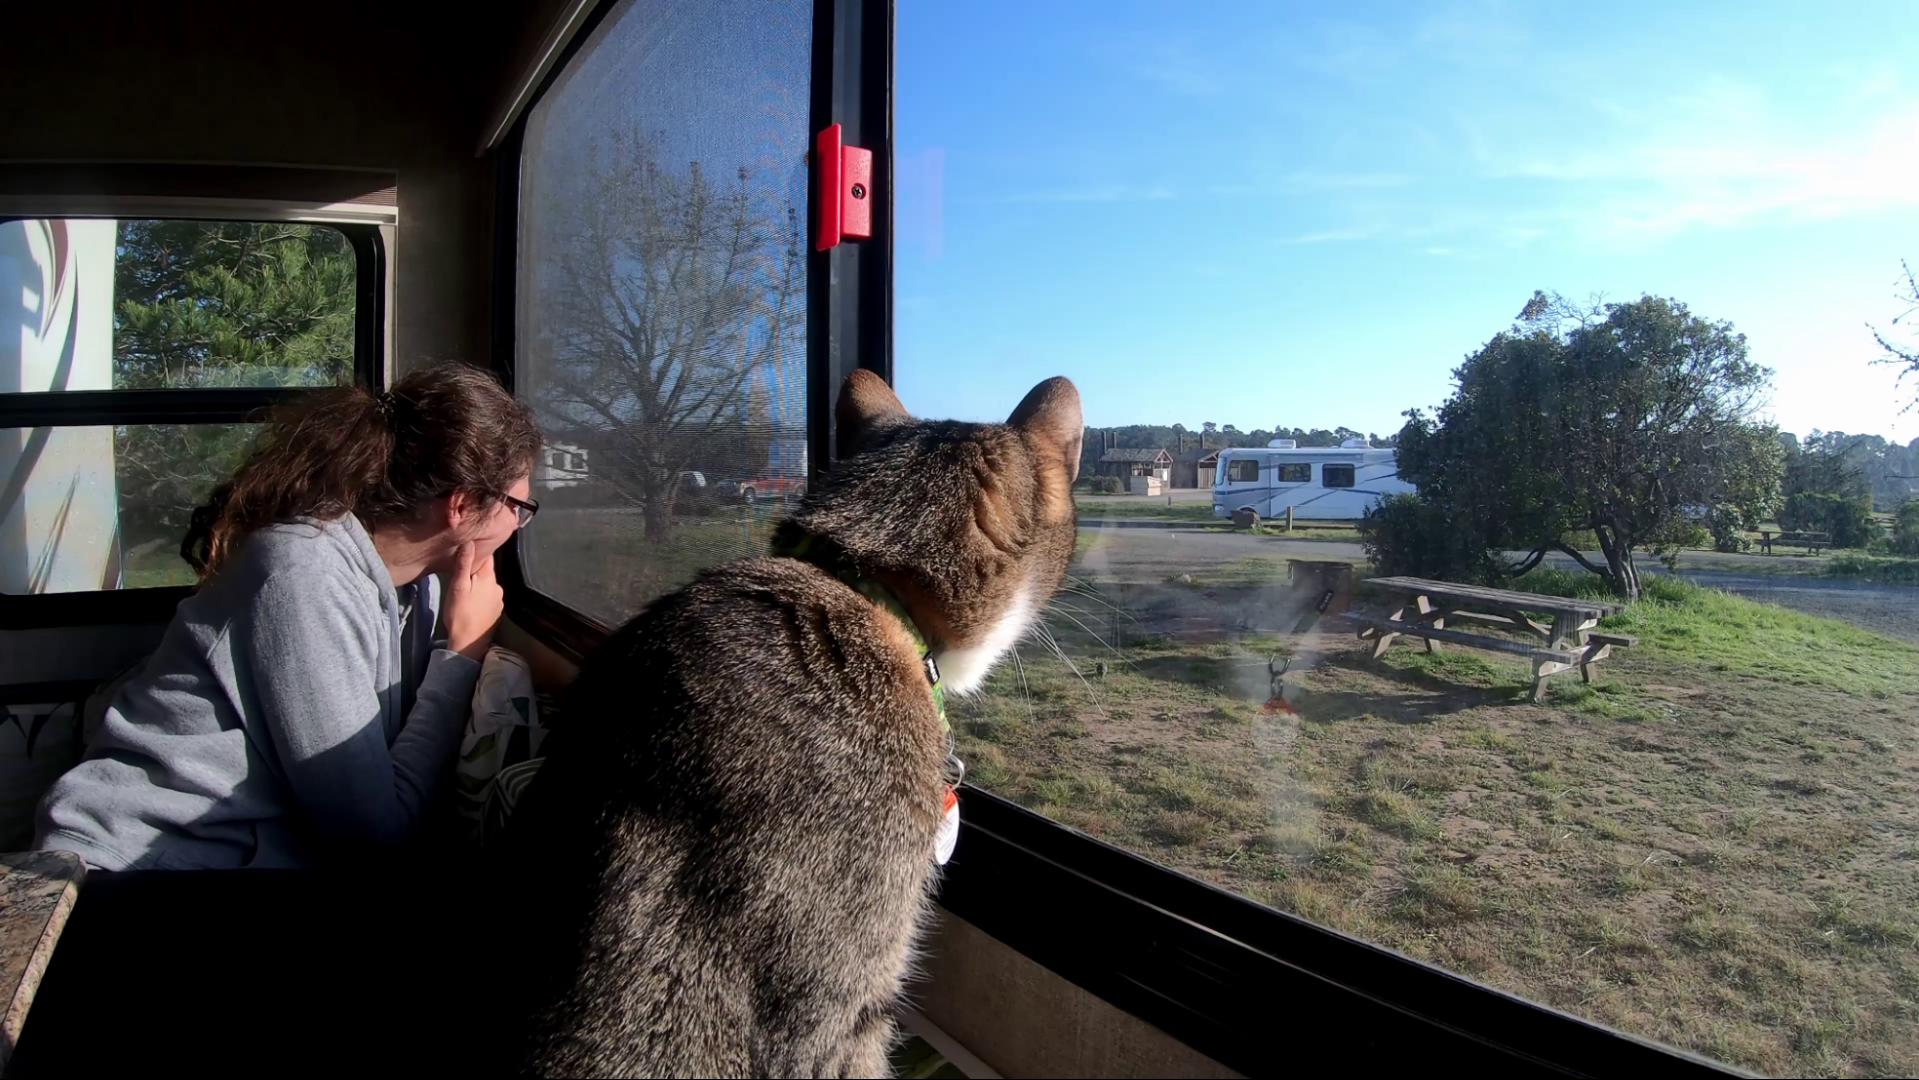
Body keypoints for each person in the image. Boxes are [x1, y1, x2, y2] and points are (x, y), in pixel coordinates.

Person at [34, 363, 545, 870]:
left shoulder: (420, 591)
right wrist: (461, 658)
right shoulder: (303, 572)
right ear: (460, 506)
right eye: (518, 508)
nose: (517, 526)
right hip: (137, 865)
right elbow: (372, 835)